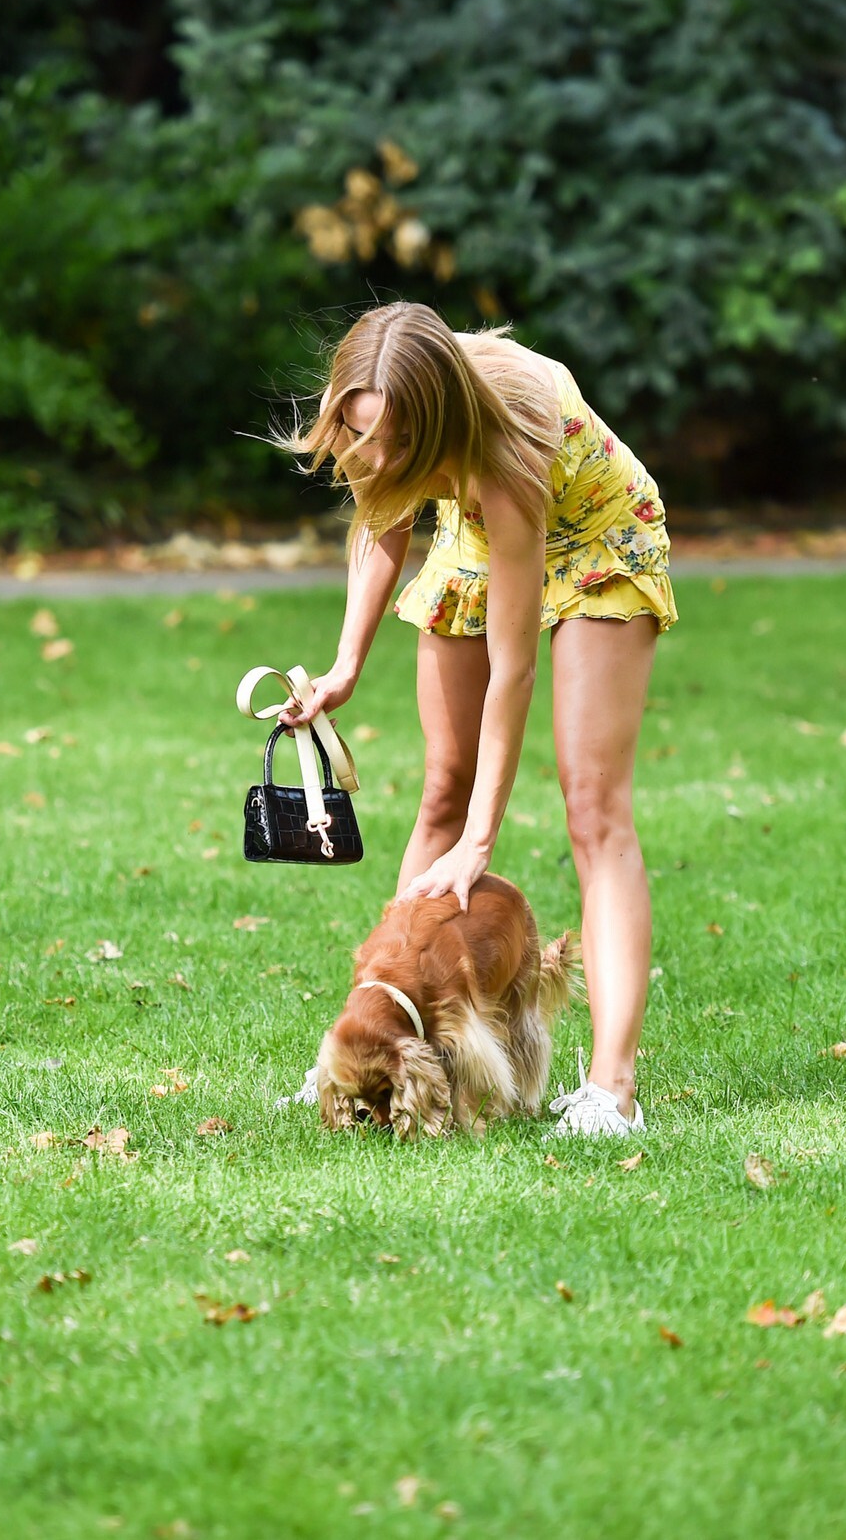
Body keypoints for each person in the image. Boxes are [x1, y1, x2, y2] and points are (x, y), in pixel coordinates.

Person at [276, 302, 675, 1137]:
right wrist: (346, 664)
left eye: (395, 441)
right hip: (476, 534)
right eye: (363, 436)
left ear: (437, 420)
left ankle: (612, 1092)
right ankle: (375, 1032)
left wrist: (480, 845)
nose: (377, 457)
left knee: (592, 806)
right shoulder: (381, 406)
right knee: (441, 791)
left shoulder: (506, 439)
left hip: (595, 533)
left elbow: (512, 670)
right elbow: (384, 514)